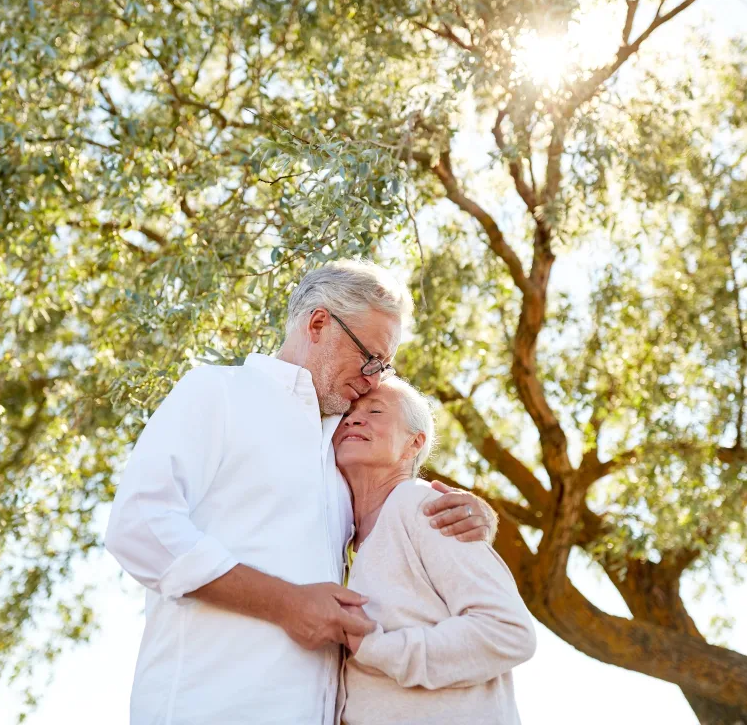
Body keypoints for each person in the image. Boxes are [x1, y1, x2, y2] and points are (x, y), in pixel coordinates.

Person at [104, 260, 497, 724]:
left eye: (384, 366)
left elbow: (393, 528)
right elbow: (140, 528)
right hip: (207, 705)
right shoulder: (219, 393)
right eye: (370, 357)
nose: (374, 379)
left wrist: (476, 518)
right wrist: (287, 604)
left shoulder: (342, 451)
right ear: (318, 324)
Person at [334, 377, 536, 725]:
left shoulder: (423, 507)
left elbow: (508, 631)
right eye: (347, 413)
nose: (353, 419)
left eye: (375, 410)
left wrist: (377, 649)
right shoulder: (341, 541)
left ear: (414, 444)